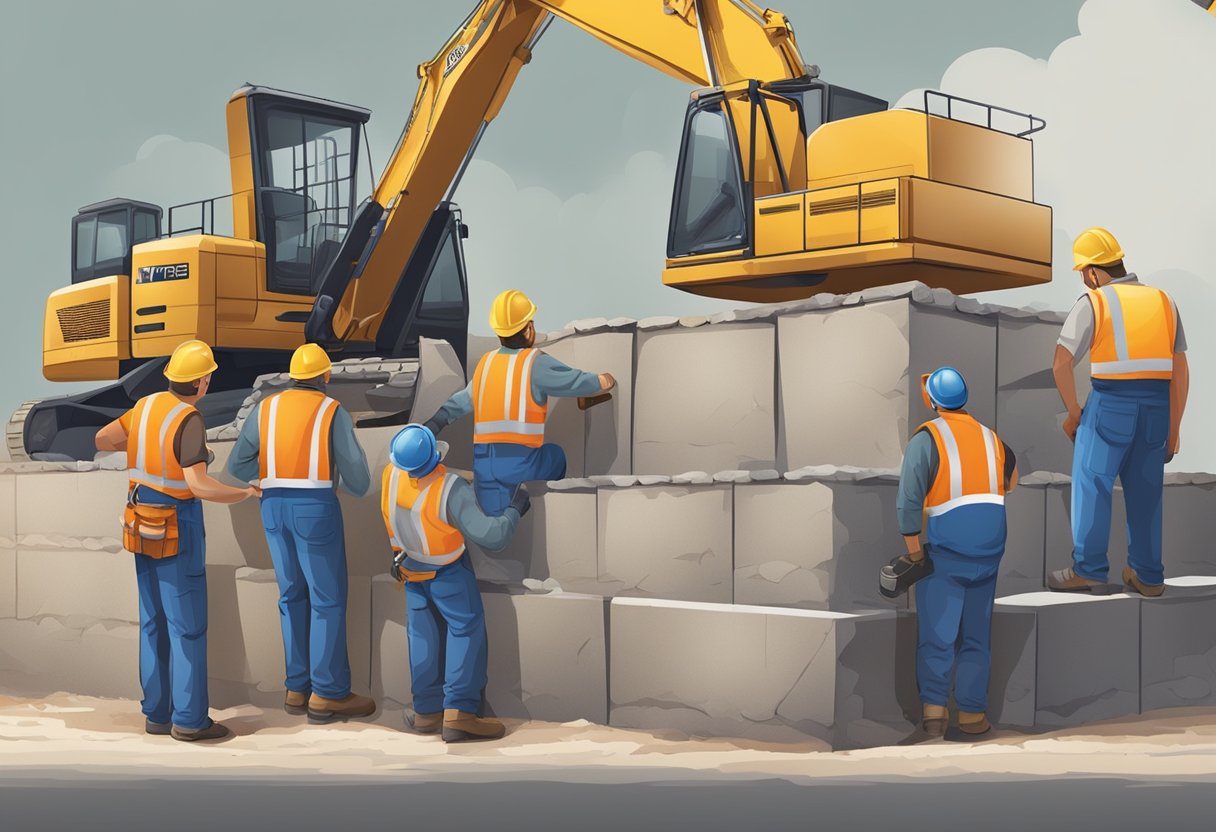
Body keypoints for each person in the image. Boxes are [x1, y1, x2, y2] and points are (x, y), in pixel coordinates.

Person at [95, 340, 257, 742]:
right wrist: (245, 493)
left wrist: (144, 449)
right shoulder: (189, 419)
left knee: (153, 622)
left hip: (140, 520)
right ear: (203, 382)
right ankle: (189, 720)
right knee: (187, 626)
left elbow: (103, 439)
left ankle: (156, 714)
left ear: (171, 377)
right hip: (175, 524)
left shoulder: (146, 406)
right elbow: (198, 485)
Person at [227, 343, 376, 723]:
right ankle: (328, 693)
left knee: (292, 595)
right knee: (326, 599)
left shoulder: (266, 408)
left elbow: (238, 466)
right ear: (325, 377)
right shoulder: (331, 411)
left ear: (293, 376)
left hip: (273, 508)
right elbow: (359, 480)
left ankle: (297, 687)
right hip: (315, 508)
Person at [1047, 228, 1189, 597]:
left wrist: (1075, 412)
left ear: (1093, 271)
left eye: (1083, 273)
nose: (1084, 280)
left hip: (1110, 405)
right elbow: (1180, 370)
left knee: (1092, 482)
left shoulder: (1094, 302)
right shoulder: (1164, 301)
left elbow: (1061, 364)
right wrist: (1174, 429)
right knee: (1146, 491)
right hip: (1157, 408)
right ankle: (1147, 575)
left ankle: (1090, 569)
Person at [381, 423, 529, 742]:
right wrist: (515, 509)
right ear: (435, 456)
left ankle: (426, 712)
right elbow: (492, 536)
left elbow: (415, 492)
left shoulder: (391, 477)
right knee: (466, 629)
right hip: (447, 572)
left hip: (411, 570)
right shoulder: (450, 489)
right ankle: (460, 714)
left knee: (423, 636)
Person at [894, 367, 1018, 738]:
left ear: (932, 401)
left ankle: (934, 715)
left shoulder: (927, 438)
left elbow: (908, 504)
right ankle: (972, 716)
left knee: (939, 634)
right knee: (977, 636)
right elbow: (1010, 480)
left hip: (948, 551)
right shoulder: (990, 437)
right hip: (990, 549)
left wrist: (915, 554)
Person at [424, 289, 615, 515]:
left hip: (485, 467)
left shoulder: (486, 363)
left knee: (496, 520)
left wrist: (432, 425)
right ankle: (542, 507)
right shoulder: (535, 363)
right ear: (528, 329)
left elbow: (459, 403)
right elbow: (578, 382)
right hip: (522, 465)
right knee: (556, 456)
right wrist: (606, 380)